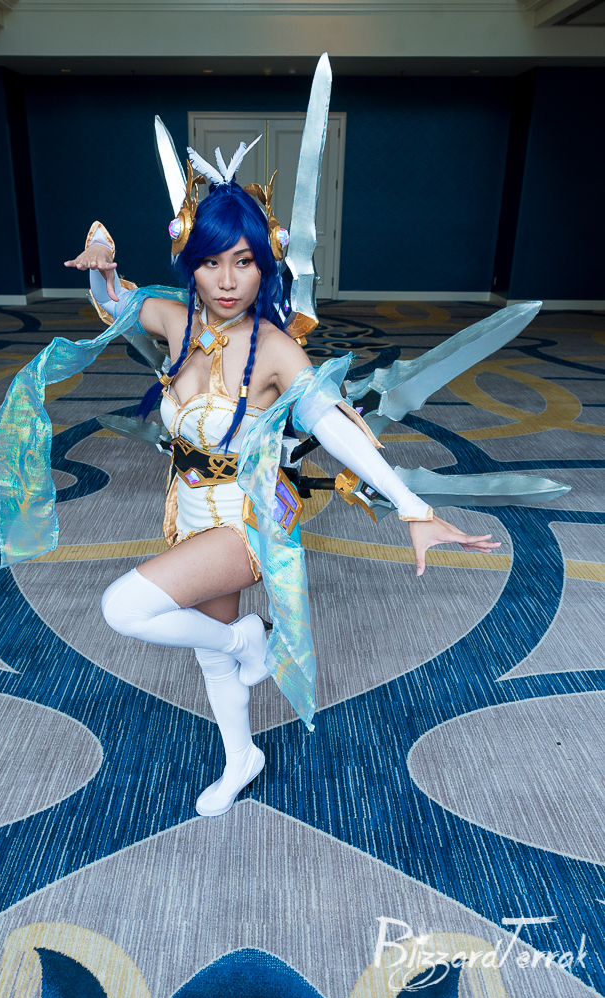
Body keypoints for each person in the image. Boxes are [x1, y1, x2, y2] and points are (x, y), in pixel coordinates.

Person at [58, 154, 500, 818]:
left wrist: (414, 508)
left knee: (124, 608)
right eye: (211, 262)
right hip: (189, 507)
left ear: (266, 263)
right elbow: (116, 304)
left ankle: (249, 640)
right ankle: (241, 757)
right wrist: (102, 261)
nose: (226, 280)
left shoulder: (275, 349)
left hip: (249, 517)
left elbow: (336, 427)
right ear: (190, 263)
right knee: (210, 654)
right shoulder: (174, 319)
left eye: (243, 261)